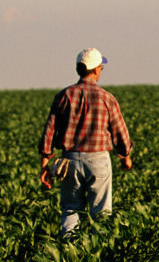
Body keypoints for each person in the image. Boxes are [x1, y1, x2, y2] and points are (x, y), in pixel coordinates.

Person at [38, 47, 133, 238]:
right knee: (101, 213)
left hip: (69, 161)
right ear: (97, 70)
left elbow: (49, 130)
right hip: (99, 161)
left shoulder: (64, 96)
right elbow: (120, 131)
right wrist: (125, 157)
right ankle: (98, 254)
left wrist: (45, 165)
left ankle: (68, 250)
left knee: (71, 210)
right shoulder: (107, 98)